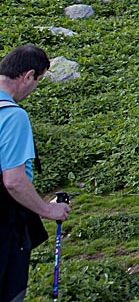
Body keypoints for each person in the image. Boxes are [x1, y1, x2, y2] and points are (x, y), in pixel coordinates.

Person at [1, 45, 70, 302]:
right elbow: (13, 181)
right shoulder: (12, 116)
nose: (34, 88)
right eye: (38, 80)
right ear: (28, 76)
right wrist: (47, 209)